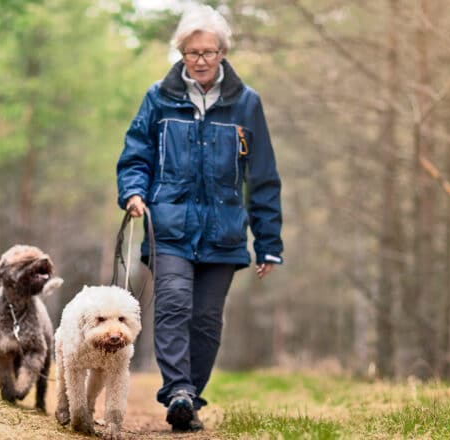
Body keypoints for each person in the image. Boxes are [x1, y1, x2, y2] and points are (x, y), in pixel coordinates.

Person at [116, 4, 283, 432]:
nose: (202, 60)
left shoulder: (247, 105)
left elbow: (262, 177)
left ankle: (190, 398)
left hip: (224, 233)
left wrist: (268, 243)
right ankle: (178, 392)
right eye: (193, 53)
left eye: (209, 52)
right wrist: (133, 191)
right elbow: (136, 153)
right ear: (181, 54)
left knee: (206, 319)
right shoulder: (158, 97)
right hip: (169, 227)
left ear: (223, 53)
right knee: (172, 305)